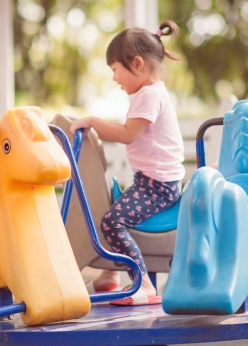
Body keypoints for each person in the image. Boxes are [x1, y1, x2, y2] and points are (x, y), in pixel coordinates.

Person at [70, 21, 185, 305]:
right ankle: (109, 275)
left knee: (112, 221)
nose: (114, 78)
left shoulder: (148, 94)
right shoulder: (149, 93)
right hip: (151, 181)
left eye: (115, 69)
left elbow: (127, 134)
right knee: (111, 206)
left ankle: (142, 283)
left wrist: (93, 122)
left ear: (137, 63)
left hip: (157, 187)